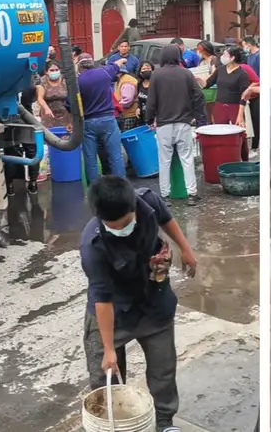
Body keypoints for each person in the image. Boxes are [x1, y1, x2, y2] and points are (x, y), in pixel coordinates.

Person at [80, 176, 198, 432]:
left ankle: (164, 422)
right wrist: (109, 349)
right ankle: (110, 425)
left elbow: (167, 219)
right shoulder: (93, 246)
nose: (122, 230)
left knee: (163, 370)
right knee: (104, 379)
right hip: (114, 311)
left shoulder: (147, 200)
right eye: (114, 227)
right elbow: (102, 299)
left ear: (133, 207)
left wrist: (185, 249)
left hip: (153, 299)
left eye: (125, 224)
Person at [146, 45, 207, 205]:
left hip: (163, 124)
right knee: (187, 159)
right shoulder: (186, 73)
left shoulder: (156, 75)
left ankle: (165, 196)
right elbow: (199, 95)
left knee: (164, 161)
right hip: (183, 123)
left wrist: (149, 118)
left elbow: (151, 101)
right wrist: (196, 115)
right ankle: (192, 194)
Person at [67, 56, 127, 184]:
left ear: (80, 67)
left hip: (88, 123)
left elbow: (70, 105)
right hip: (108, 120)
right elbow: (117, 64)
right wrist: (123, 59)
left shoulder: (77, 82)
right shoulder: (104, 73)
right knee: (116, 156)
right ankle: (121, 186)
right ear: (92, 64)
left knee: (90, 158)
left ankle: (93, 189)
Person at [200, 47, 258, 160]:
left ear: (232, 58)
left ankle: (243, 159)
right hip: (220, 105)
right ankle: (222, 156)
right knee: (219, 132)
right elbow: (207, 83)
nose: (222, 57)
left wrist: (240, 114)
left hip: (235, 106)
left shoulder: (242, 74)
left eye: (225, 55)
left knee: (240, 134)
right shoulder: (220, 70)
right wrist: (198, 79)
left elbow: (244, 96)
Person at [8, 73, 42, 195]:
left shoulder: (7, 82)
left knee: (11, 152)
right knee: (32, 151)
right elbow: (34, 96)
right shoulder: (29, 83)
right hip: (28, 120)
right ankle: (33, 183)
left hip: (10, 121)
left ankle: (10, 185)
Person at [38, 59, 71, 129]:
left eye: (56, 70)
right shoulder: (42, 82)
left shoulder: (66, 80)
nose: (54, 72)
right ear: (46, 72)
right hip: (49, 115)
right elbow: (40, 98)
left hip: (66, 115)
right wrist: (46, 109)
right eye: (52, 70)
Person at [115, 65, 141, 132]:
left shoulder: (127, 82)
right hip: (126, 114)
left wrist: (115, 106)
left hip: (130, 115)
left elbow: (127, 101)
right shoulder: (120, 80)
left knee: (128, 136)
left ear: (119, 73)